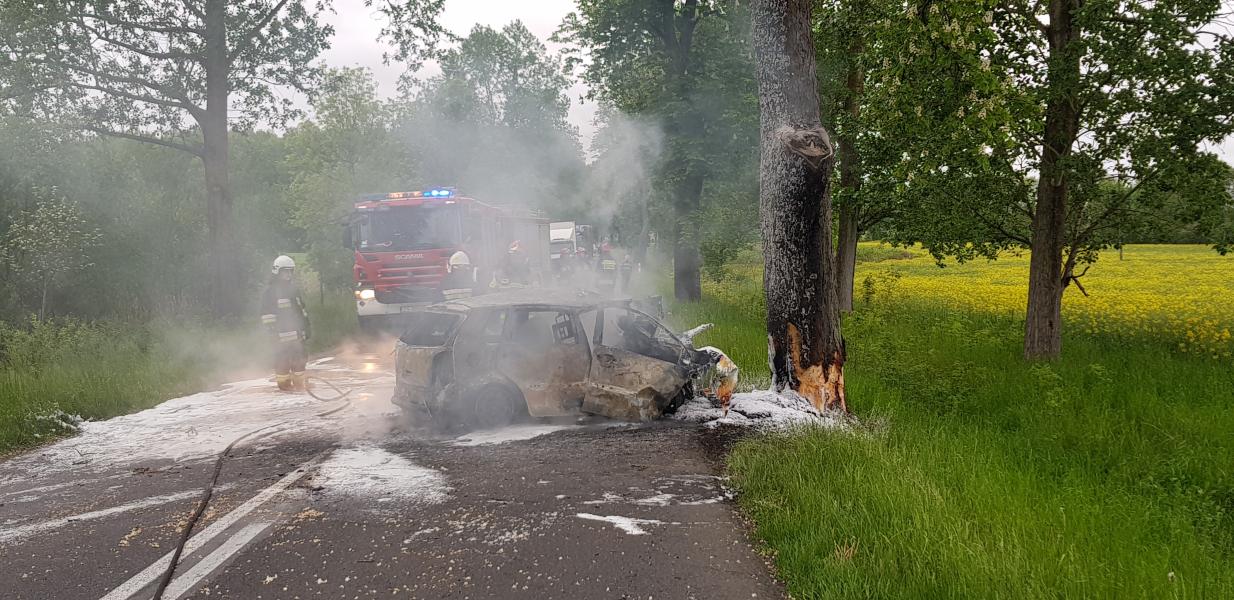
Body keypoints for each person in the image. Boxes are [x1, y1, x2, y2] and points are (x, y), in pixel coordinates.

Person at [261, 255, 311, 391]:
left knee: (300, 359)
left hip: (296, 332)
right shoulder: (270, 292)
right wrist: (272, 331)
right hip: (280, 335)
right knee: (282, 360)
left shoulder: (293, 290)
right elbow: (267, 315)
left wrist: (306, 327)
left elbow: (301, 311)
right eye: (285, 271)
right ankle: (284, 386)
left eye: (290, 271)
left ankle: (300, 385)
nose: (288, 275)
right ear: (277, 272)